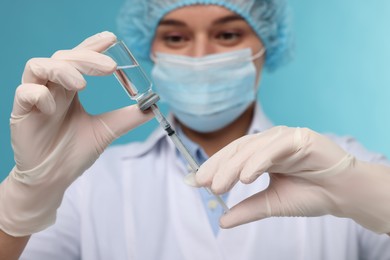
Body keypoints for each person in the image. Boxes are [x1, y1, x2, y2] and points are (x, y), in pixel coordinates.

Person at [1, 0, 390, 259]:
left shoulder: (339, 166)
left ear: (265, 44)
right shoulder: (86, 185)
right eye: (175, 37)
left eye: (227, 34)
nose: (200, 55)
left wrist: (374, 199)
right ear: (149, 49)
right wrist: (24, 200)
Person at [194, 126, 390, 235]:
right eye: (176, 47)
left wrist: (370, 195)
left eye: (228, 48)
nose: (202, 54)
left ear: (265, 52)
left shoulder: (330, 158)